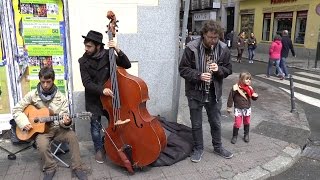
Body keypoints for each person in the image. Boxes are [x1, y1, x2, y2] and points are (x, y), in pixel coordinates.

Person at [12, 67, 89, 180]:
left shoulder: (61, 98)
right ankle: (50, 168)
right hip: (42, 131)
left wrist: (66, 122)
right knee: (42, 144)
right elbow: (16, 110)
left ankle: (77, 167)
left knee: (72, 136)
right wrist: (24, 123)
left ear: (53, 80)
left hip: (58, 128)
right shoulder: (32, 95)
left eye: (48, 82)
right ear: (39, 80)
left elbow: (64, 117)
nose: (45, 85)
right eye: (43, 82)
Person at [179, 20, 233, 163]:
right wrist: (199, 75)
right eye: (210, 37)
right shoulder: (191, 48)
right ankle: (198, 149)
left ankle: (218, 147)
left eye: (216, 38)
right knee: (196, 124)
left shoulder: (223, 48)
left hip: (214, 93)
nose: (213, 41)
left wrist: (219, 70)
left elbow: (229, 69)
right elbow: (182, 69)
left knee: (215, 122)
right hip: (195, 93)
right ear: (203, 35)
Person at [78, 30, 131, 164]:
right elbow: (87, 83)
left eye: (89, 46)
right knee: (95, 126)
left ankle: (117, 144)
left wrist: (117, 49)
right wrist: (102, 90)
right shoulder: (83, 61)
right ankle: (99, 149)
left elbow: (127, 65)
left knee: (114, 122)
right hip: (94, 98)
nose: (86, 49)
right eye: (86, 46)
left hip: (109, 99)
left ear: (98, 46)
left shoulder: (109, 55)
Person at [227, 71, 258, 144]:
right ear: (241, 79)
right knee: (237, 123)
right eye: (246, 79)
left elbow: (253, 97)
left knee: (246, 121)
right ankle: (235, 136)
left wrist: (255, 96)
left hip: (247, 108)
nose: (248, 80)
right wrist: (229, 107)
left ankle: (246, 135)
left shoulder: (250, 88)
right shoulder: (235, 88)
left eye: (249, 79)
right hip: (238, 108)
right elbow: (231, 97)